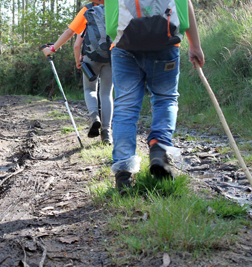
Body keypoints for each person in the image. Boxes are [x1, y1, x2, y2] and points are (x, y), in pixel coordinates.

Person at [104, 0, 205, 189]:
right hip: (165, 41)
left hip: (124, 44)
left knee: (125, 106)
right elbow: (185, 4)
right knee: (165, 98)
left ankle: (124, 172)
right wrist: (195, 44)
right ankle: (159, 146)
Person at [42, 0, 114, 145]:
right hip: (112, 56)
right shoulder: (114, 6)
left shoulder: (88, 10)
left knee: (90, 90)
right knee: (106, 94)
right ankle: (107, 133)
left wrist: (56, 50)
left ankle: (94, 118)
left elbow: (74, 41)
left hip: (90, 57)